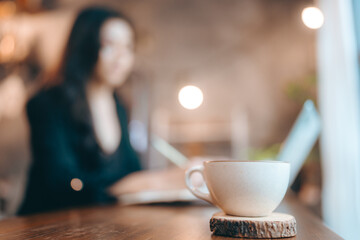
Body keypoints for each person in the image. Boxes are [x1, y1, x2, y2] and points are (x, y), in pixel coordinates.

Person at [18, 6, 185, 215]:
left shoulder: (120, 105)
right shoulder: (47, 103)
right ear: (85, 46)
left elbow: (131, 172)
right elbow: (61, 181)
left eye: (128, 48)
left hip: (99, 226)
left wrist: (174, 179)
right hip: (44, 226)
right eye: (109, 46)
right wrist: (159, 181)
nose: (120, 58)